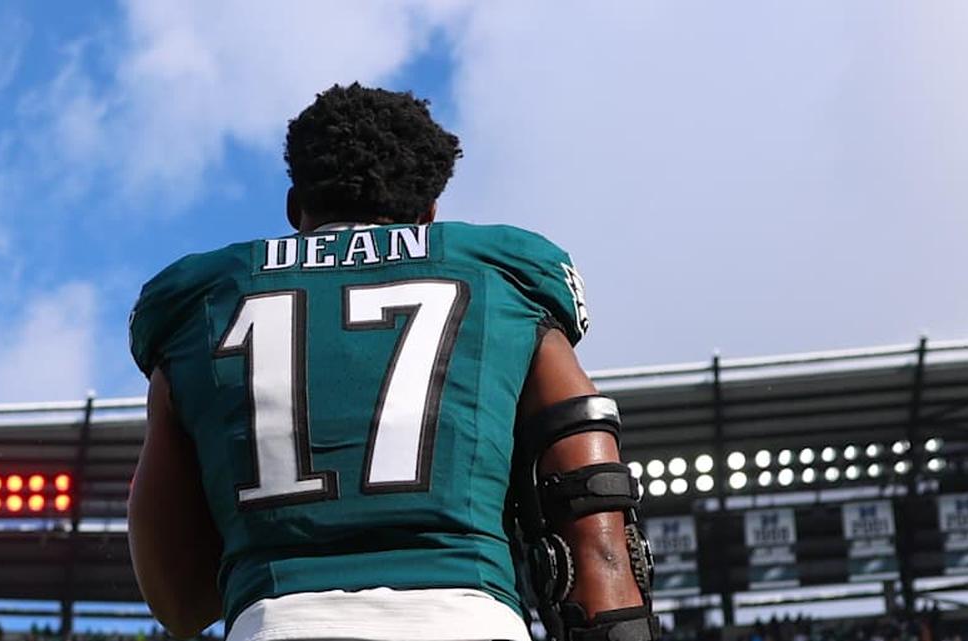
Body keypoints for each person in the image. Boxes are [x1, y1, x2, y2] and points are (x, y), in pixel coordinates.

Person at [127, 83, 655, 641]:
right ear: (429, 213)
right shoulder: (507, 282)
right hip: (468, 622)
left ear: (293, 207)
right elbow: (595, 513)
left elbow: (177, 600)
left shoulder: (201, 305)